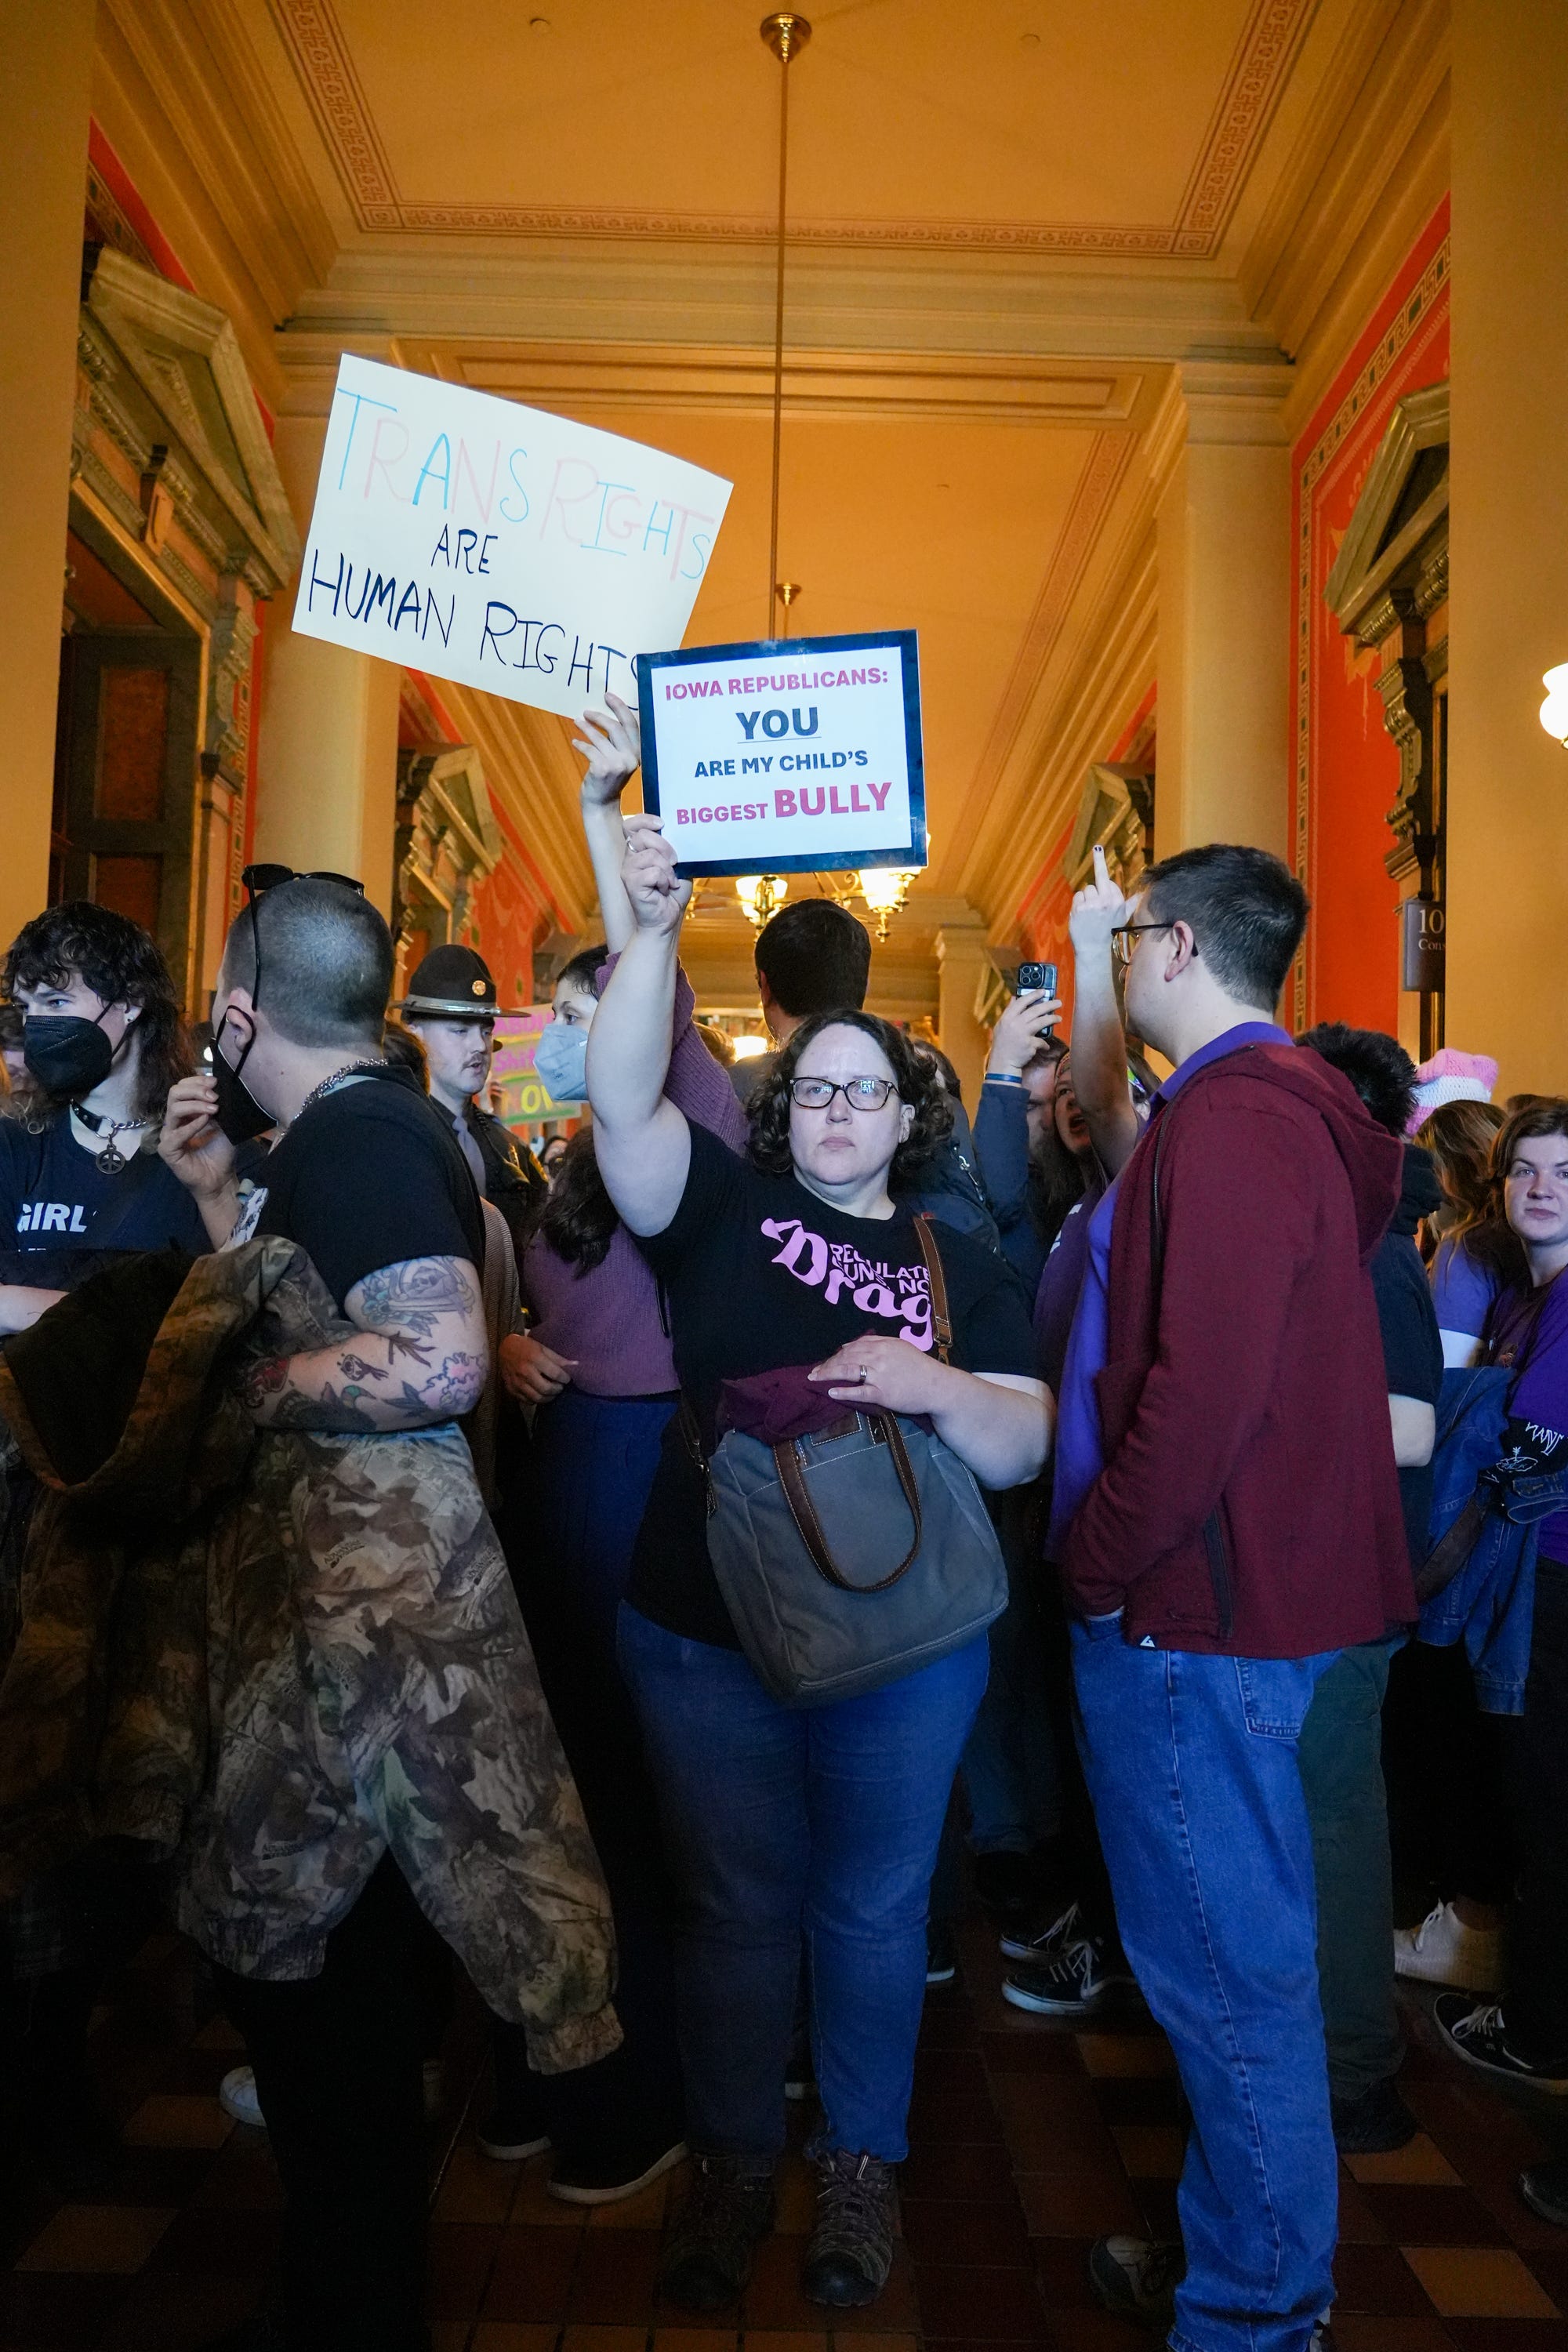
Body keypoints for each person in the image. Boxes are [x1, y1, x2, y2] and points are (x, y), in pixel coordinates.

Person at [586, 817, 1050, 2313]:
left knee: (868, 1905)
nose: (839, 1104)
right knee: (730, 1904)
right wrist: (649, 929)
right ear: (780, 1110)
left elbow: (1029, 1441)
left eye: (868, 1087)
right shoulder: (719, 1206)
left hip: (899, 1649)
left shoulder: (953, 1261)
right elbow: (617, 1118)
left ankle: (858, 2163)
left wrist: (935, 1384)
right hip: (699, 1625)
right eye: (815, 1086)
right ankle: (730, 2161)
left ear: (902, 1115)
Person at [158, 868, 619, 2352]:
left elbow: (431, 1361)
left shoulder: (360, 1137)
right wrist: (216, 1200)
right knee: (323, 1997)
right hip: (332, 1668)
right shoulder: (359, 1130)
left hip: (360, 1672)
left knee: (332, 2027)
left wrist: (252, 1388)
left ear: (240, 1017)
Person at [1049, 844, 1411, 2352]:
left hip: (1198, 1614)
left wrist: (1088, 1563)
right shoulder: (1272, 1111)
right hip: (1237, 1603)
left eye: (1127, 938)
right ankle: (1244, 2262)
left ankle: (1258, 2313)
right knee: (1229, 1971)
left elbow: (1199, 1405)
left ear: (1178, 943)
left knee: (1232, 1990)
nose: (1123, 959)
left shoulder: (1244, 1121)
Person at [483, 691, 746, 2205]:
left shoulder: (679, 1098)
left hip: (645, 1473)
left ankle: (636, 2095)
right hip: (573, 1462)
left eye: (592, 1009)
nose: (570, 1029)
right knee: (550, 1784)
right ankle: (546, 2066)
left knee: (624, 1797)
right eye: (566, 1013)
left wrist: (606, 826)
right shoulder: (584, 1137)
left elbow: (641, 993)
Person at [1294, 1024, 1443, 2154]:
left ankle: (1355, 2075)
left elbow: (1408, 1426)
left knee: (1338, 1824)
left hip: (1347, 1578)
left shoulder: (1380, 1245)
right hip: (1317, 1572)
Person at [1426, 1102, 1568, 2122]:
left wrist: (1481, 1405)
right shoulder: (1534, 1291)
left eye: (1562, 1171)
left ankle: (1540, 2027)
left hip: (1556, 1579)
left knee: (1547, 1809)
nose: (1542, 1189)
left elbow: (1527, 1437)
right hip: (1537, 1573)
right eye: (1525, 1171)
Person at [0, 902, 209, 1331]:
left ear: (131, 1000)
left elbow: (214, 1316)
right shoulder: (14, 1144)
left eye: (56, 1001)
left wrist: (18, 1306)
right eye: (26, 1008)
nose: (37, 1024)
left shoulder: (206, 1154)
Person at [399, 943, 545, 1259]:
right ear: (415, 1033)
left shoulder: (510, 1149)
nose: (479, 1045)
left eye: (486, 1031)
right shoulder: (396, 1135)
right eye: (460, 1030)